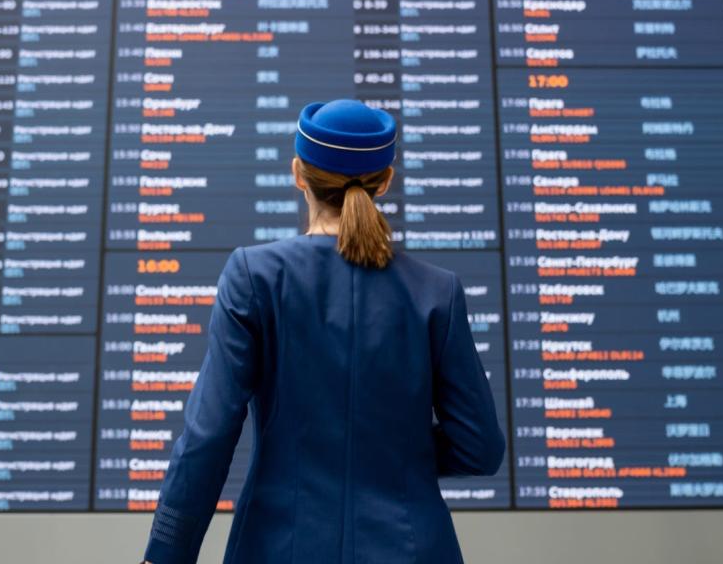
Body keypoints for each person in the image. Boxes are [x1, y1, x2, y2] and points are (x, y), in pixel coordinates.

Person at [141, 99, 506, 564]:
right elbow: (482, 448)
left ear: (298, 173)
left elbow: (208, 435)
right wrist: (393, 448)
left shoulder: (254, 275)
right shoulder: (438, 291)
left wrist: (165, 553)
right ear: (385, 181)